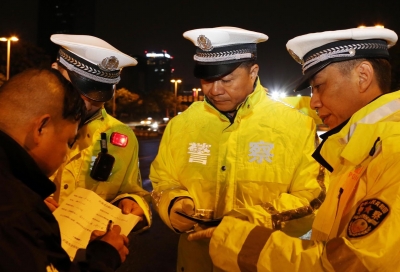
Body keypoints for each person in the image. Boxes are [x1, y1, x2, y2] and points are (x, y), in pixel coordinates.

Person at [188, 26, 400, 271]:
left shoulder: (392, 149)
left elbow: (353, 263)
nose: (314, 102)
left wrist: (237, 241)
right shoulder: (364, 147)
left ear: (363, 76)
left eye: (319, 86)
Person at [150, 26, 326, 271]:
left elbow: (311, 197)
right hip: (195, 262)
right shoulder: (181, 125)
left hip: (258, 261)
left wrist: (246, 222)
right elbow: (162, 179)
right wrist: (173, 204)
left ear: (253, 72)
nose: (214, 90)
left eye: (226, 79)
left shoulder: (296, 126)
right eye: (207, 80)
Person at [0, 68, 129, 271]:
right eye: (69, 142)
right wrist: (103, 257)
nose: (67, 154)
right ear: (41, 127)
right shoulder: (19, 213)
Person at [47, 34, 151, 230]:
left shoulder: (121, 135)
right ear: (55, 72)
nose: (86, 103)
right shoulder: (23, 122)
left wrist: (132, 202)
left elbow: (133, 190)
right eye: (78, 89)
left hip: (90, 253)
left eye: (97, 95)